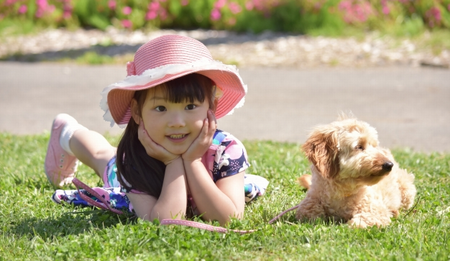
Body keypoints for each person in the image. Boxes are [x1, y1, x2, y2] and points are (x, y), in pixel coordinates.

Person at [45, 34, 268, 225]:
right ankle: (66, 132)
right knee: (102, 156)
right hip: (140, 158)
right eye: (161, 108)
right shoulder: (133, 156)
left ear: (212, 105)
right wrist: (173, 163)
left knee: (105, 155)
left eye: (190, 106)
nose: (177, 122)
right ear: (138, 111)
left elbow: (229, 219)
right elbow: (165, 220)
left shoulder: (227, 150)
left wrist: (192, 161)